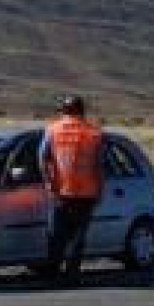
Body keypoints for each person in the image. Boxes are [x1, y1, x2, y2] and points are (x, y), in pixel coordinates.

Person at [39, 95, 105, 283]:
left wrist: (48, 182)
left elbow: (42, 157)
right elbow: (99, 164)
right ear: (82, 111)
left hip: (61, 191)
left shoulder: (53, 130)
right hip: (86, 193)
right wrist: (100, 189)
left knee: (56, 233)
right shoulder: (94, 133)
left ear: (63, 111)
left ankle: (52, 272)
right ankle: (72, 272)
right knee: (77, 236)